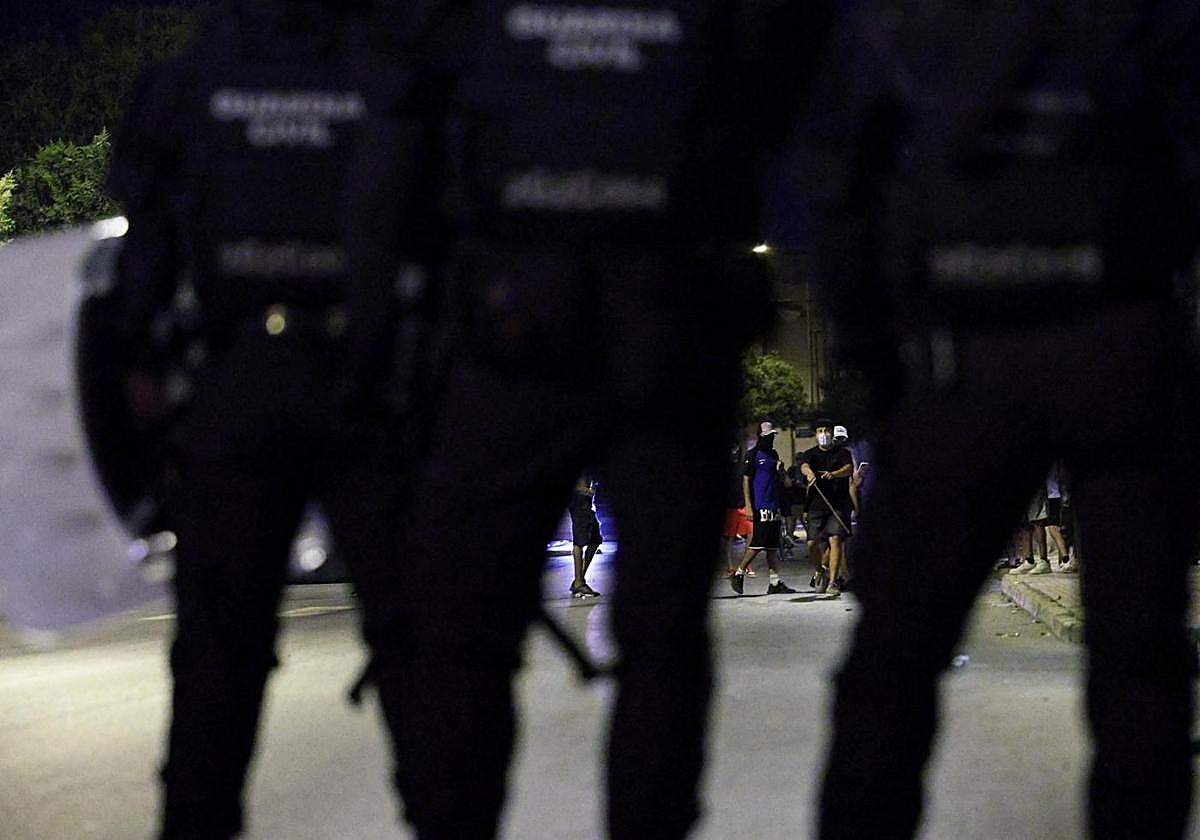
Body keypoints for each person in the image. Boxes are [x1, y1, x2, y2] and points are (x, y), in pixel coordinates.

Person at [344, 2, 841, 837]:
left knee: (469, 637)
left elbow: (393, 158)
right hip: (667, 327)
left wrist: (379, 355)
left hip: (512, 328)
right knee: (663, 641)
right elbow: (787, 99)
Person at [795, 2, 1200, 838]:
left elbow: (839, 190)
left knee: (892, 670)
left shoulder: (895, 25)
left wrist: (882, 368)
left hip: (959, 358)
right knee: (1142, 663)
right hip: (1115, 340)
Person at [107, 2, 416, 837]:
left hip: (234, 375)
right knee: (419, 648)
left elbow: (147, 242)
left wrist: (140, 360)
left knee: (218, 656)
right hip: (367, 383)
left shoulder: (188, 81)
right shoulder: (388, 72)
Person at [729, 422, 798, 595]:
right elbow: (746, 480)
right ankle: (738, 573)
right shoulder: (753, 455)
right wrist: (749, 506)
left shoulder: (773, 454)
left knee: (772, 546)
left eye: (772, 436)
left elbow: (783, 481)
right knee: (758, 542)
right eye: (767, 436)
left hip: (773, 505)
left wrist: (781, 471)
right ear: (761, 436)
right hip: (760, 505)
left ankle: (774, 582)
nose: (771, 439)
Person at [799, 419, 854, 596]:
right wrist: (808, 473)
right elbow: (804, 465)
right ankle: (820, 570)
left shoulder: (842, 453)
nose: (824, 434)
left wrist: (834, 474)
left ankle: (832, 583)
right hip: (817, 504)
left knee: (835, 539)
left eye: (827, 430)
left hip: (837, 504)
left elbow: (848, 468)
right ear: (816, 434)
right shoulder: (811, 454)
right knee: (811, 544)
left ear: (832, 433)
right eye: (820, 431)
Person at [568, 475, 602, 598]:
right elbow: (580, 487)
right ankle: (579, 582)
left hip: (585, 504)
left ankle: (579, 579)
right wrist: (589, 491)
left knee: (595, 540)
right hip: (580, 503)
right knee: (579, 541)